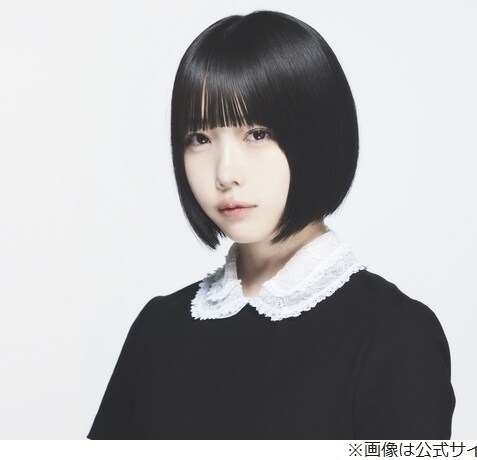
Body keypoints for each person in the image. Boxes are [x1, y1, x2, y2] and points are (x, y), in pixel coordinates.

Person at [87, 10, 455, 440]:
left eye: (257, 134)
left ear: (318, 134)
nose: (225, 173)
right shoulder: (158, 328)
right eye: (200, 139)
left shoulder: (395, 334)